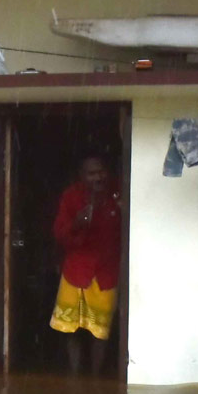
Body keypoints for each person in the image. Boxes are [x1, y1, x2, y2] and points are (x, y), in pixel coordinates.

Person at [49, 154, 122, 377]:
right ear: (82, 176)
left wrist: (123, 210)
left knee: (100, 332)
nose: (97, 177)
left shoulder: (118, 192)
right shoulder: (71, 196)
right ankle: (74, 376)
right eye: (91, 173)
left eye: (100, 172)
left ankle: (95, 377)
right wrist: (77, 224)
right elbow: (59, 234)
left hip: (106, 273)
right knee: (70, 330)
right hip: (76, 271)